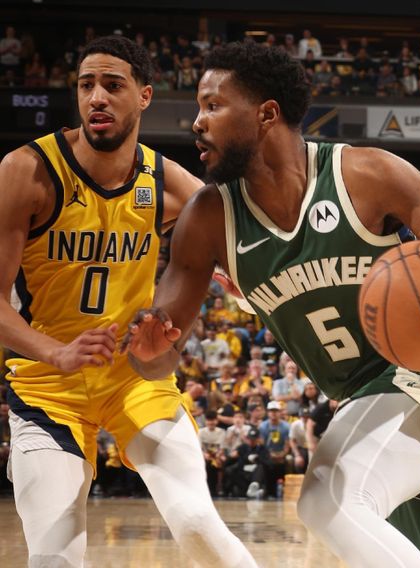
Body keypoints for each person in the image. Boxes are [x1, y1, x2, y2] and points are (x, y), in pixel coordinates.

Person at [125, 41, 420, 567]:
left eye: (213, 106)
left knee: (329, 497)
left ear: (267, 113)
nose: (196, 122)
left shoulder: (366, 175)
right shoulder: (208, 219)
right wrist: (150, 351)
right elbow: (161, 353)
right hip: (370, 407)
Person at [0, 36, 256, 567]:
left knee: (196, 523)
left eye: (112, 86)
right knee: (56, 557)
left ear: (143, 96)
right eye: (86, 85)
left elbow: (242, 260)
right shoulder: (27, 171)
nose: (96, 97)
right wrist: (56, 353)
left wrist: (243, 285)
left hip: (134, 379)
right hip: (50, 389)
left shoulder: (166, 181)